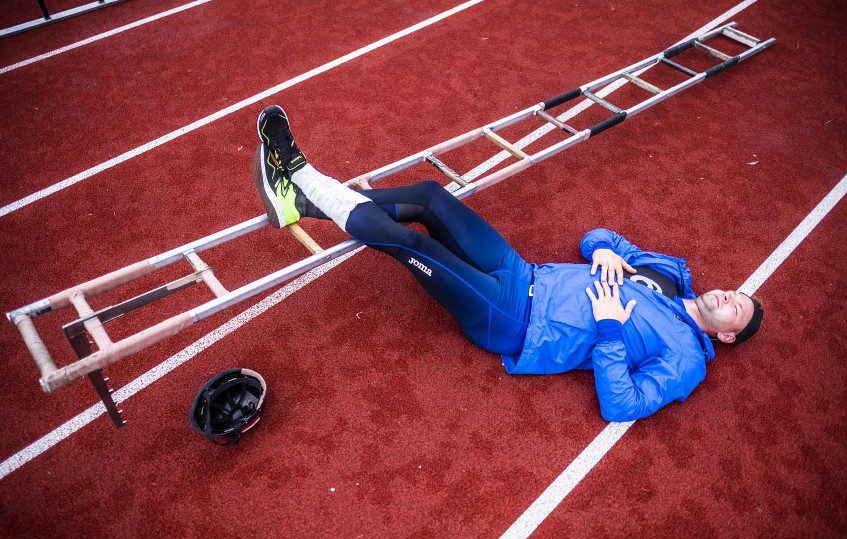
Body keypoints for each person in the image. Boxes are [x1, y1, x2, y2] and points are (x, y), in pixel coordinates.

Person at [252, 105, 764, 422]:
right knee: (431, 196)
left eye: (737, 309)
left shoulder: (685, 360)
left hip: (515, 321)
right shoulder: (671, 274)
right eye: (736, 291)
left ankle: (300, 172)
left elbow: (623, 406)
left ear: (727, 335)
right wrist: (605, 249)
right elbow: (597, 237)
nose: (728, 296)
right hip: (523, 273)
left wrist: (610, 331)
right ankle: (302, 202)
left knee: (415, 245)